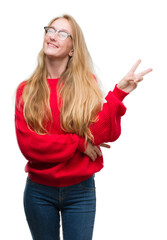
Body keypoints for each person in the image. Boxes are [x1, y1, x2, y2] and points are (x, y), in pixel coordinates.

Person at [15, 14, 152, 240]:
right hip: (38, 192)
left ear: (72, 48)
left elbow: (99, 135)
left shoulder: (85, 84)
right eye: (50, 30)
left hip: (80, 190)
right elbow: (30, 145)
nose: (52, 36)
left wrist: (119, 93)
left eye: (62, 33)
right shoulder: (26, 90)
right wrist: (78, 142)